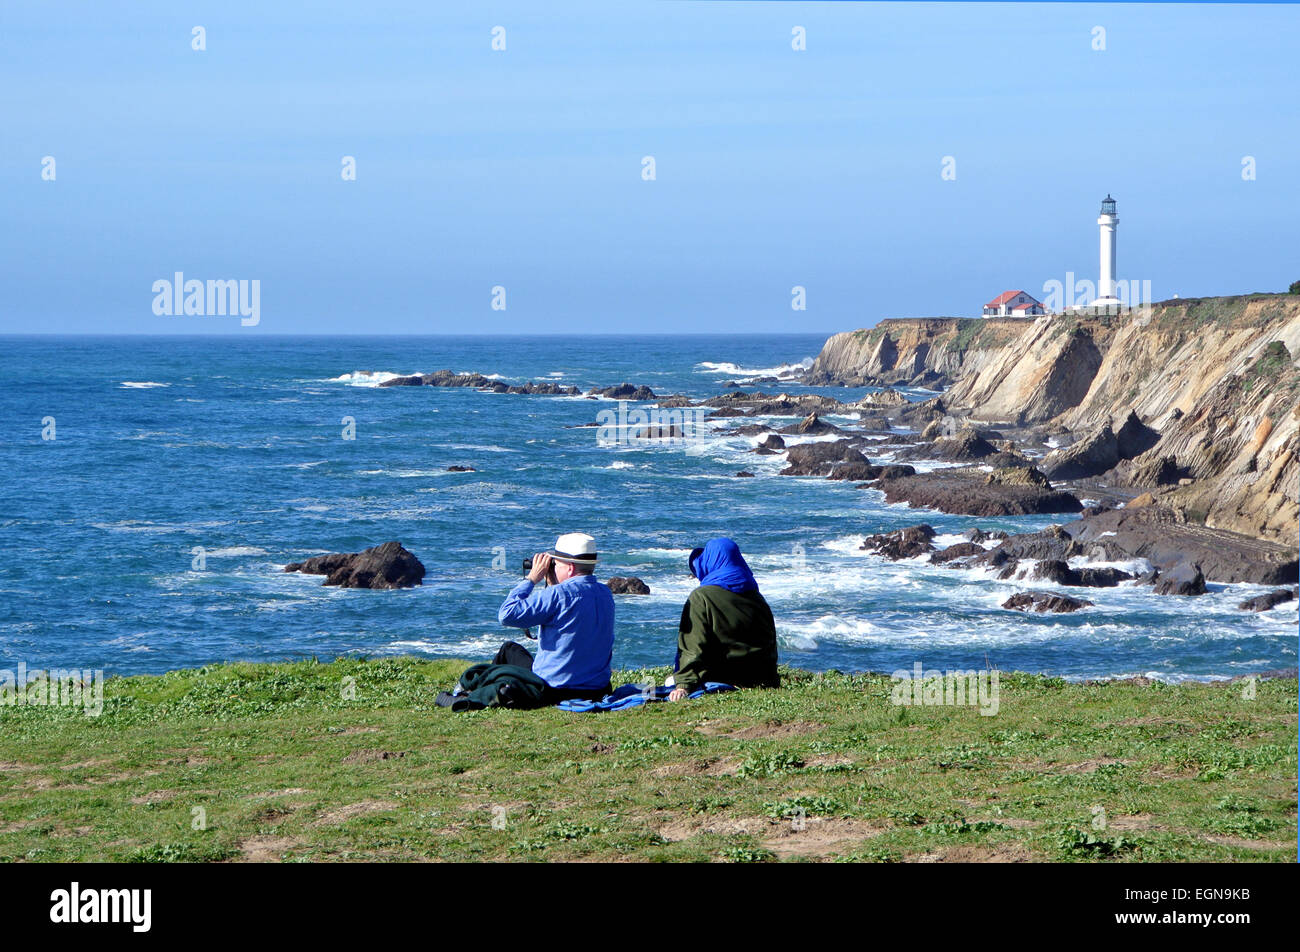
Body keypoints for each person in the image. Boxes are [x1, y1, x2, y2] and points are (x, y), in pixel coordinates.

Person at [495, 532, 616, 704]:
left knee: (509, 650)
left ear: (570, 567)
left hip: (554, 690)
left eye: (555, 563)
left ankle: (466, 692)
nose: (552, 567)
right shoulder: (606, 594)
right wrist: (554, 585)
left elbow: (506, 615)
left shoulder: (557, 595)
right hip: (598, 689)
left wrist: (531, 579)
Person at [668, 537, 779, 701]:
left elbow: (693, 646)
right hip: (761, 677)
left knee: (670, 681)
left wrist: (684, 686)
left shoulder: (701, 597)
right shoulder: (758, 599)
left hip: (721, 677)